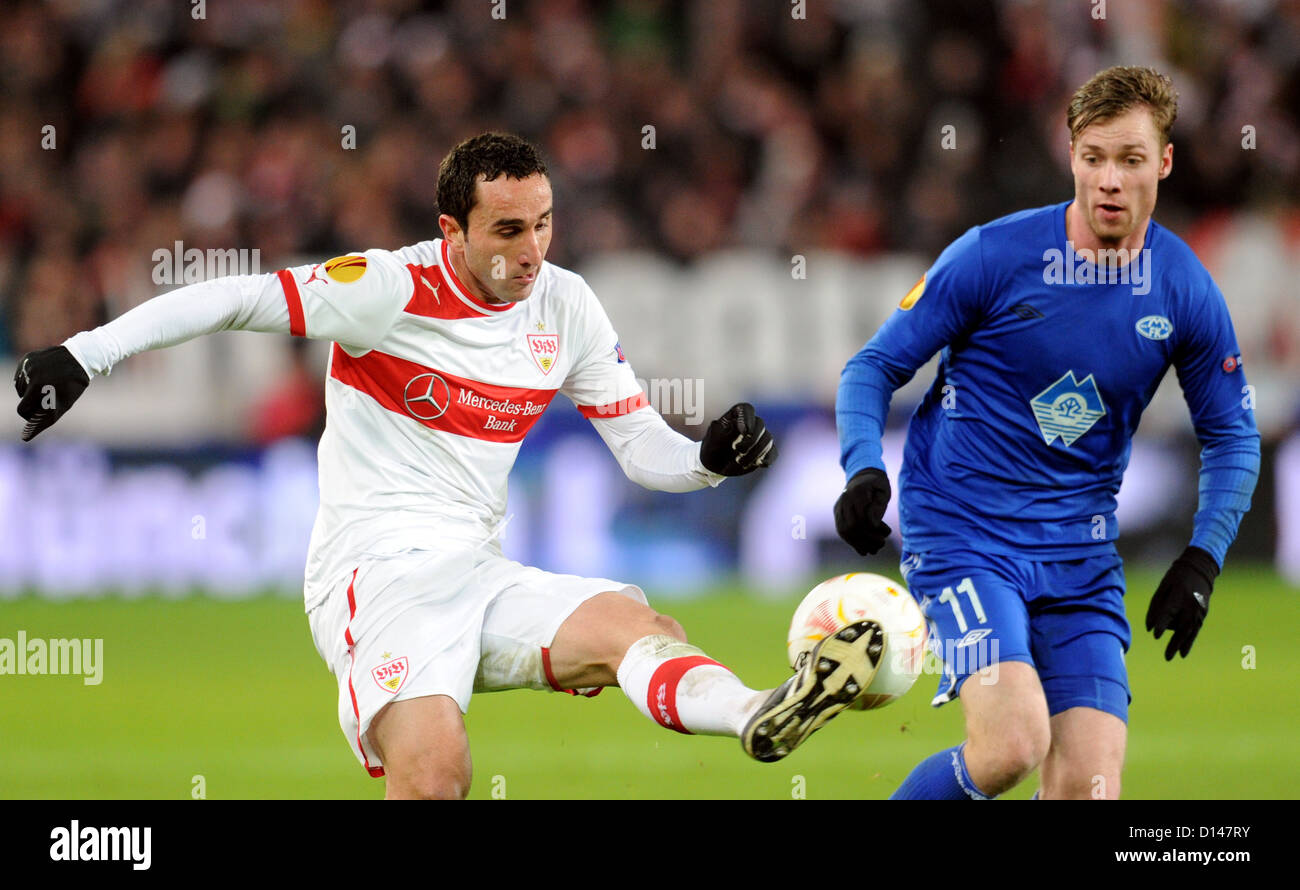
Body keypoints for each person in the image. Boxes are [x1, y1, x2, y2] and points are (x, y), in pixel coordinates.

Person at [14, 132, 883, 798]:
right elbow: (234, 296)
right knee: (437, 775)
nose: (532, 249)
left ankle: (758, 709)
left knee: (639, 631)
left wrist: (705, 462)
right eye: (508, 229)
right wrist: (86, 354)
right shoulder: (386, 290)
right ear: (451, 231)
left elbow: (637, 445)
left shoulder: (565, 304)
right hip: (376, 576)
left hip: (477, 568)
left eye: (543, 224)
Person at [833, 67, 1260, 800]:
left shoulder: (1184, 287)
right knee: (1011, 745)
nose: (1110, 181)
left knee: (1088, 790)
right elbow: (873, 366)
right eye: (1093, 158)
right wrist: (863, 468)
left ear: (1164, 161)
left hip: (1079, 555)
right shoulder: (993, 256)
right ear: (1070, 156)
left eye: (1130, 159)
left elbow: (1232, 434)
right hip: (963, 534)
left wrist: (1203, 558)